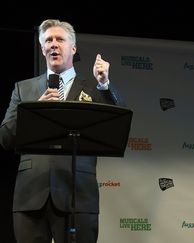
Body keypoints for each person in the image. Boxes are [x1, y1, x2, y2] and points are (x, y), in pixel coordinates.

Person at [0, 19, 125, 243]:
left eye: (60, 39)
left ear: (73, 48)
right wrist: (32, 111)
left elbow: (118, 125)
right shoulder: (24, 88)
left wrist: (104, 84)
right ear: (42, 48)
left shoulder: (94, 88)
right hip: (31, 194)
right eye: (48, 40)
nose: (54, 44)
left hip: (78, 193)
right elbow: (5, 137)